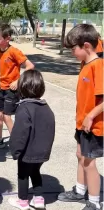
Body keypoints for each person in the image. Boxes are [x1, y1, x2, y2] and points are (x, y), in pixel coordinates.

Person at [58, 24, 103, 210]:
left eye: (73, 49)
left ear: (86, 46)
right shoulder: (86, 63)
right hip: (82, 123)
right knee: (80, 155)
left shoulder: (98, 66)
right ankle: (79, 190)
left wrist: (91, 116)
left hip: (93, 124)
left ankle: (94, 202)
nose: (71, 53)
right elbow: (97, 41)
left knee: (88, 162)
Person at [7, 70, 55, 210]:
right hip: (42, 151)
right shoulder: (46, 107)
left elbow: (19, 133)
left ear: (22, 87)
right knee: (35, 172)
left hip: (27, 152)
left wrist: (15, 151)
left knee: (23, 174)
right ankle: (38, 199)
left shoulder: (24, 108)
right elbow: (50, 128)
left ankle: (22, 201)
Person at [0, 23, 35, 159]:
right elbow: (3, 70)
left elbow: (30, 66)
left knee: (7, 116)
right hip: (2, 87)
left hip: (12, 90)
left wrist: (17, 81)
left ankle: (16, 147)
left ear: (7, 38)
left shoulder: (14, 51)